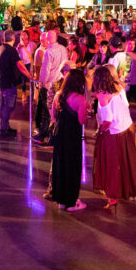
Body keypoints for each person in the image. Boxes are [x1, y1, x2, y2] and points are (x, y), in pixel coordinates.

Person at [91, 64, 136, 208]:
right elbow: (125, 105)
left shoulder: (103, 95)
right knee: (126, 162)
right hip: (127, 128)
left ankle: (113, 197)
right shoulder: (118, 86)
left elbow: (108, 120)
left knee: (111, 165)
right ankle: (126, 190)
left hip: (114, 133)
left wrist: (100, 131)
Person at [45, 69, 89, 210]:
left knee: (60, 166)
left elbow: (53, 115)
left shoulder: (59, 95)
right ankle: (71, 202)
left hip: (60, 137)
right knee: (72, 167)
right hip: (72, 137)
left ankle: (61, 199)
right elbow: (82, 120)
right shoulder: (80, 99)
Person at [0, 31, 31, 137]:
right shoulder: (11, 50)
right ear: (13, 38)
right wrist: (30, 76)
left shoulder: (1, 48)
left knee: (4, 105)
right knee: (9, 106)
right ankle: (4, 129)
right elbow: (20, 65)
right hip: (9, 82)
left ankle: (4, 126)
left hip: (3, 81)